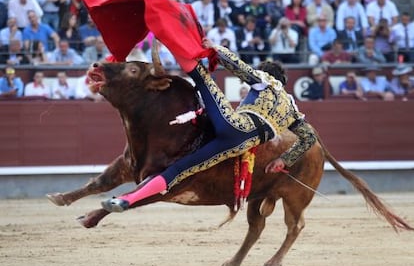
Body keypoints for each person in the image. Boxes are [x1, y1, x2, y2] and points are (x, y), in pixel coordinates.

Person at [101, 38, 317, 212]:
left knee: (201, 78)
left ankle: (170, 35)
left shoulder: (266, 80)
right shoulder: (292, 110)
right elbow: (309, 138)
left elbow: (240, 68)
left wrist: (217, 49)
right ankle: (125, 201)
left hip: (233, 124)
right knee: (181, 170)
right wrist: (283, 160)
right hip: (239, 145)